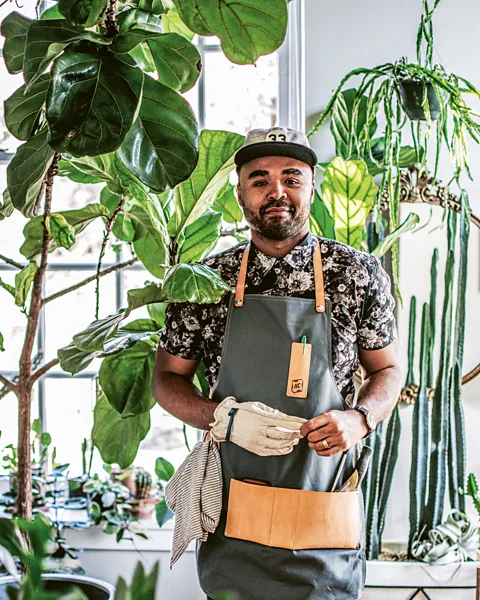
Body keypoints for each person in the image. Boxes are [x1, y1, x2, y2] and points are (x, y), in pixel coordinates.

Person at [152, 126, 402, 600]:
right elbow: (166, 380)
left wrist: (360, 418)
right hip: (235, 513)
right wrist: (222, 416)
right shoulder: (207, 281)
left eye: (291, 177)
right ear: (240, 191)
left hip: (323, 506)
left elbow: (388, 371)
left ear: (312, 185)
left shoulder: (357, 273)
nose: (277, 192)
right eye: (259, 179)